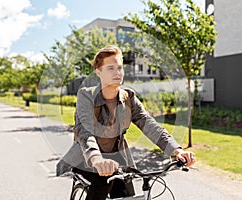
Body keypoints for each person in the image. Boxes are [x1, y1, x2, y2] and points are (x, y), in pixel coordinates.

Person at [57, 45, 195, 200]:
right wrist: (97, 159)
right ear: (98, 72)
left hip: (118, 160)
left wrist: (177, 151)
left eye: (120, 68)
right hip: (87, 159)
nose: (117, 73)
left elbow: (149, 124)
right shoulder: (86, 96)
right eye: (110, 68)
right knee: (102, 183)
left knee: (129, 196)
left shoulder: (128, 97)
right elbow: (85, 132)